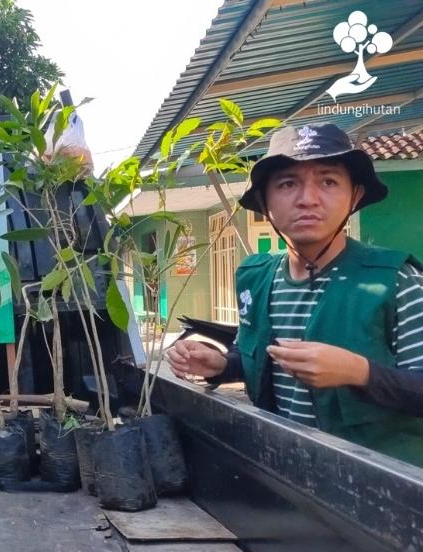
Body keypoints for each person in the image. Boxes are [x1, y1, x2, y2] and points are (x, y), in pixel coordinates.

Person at [165, 123, 423, 466]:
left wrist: (359, 372)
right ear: (264, 201)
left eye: (328, 181)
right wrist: (222, 365)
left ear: (355, 195)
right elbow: (255, 360)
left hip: (381, 486)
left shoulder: (395, 280)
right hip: (286, 474)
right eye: (288, 184)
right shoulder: (255, 279)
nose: (308, 199)